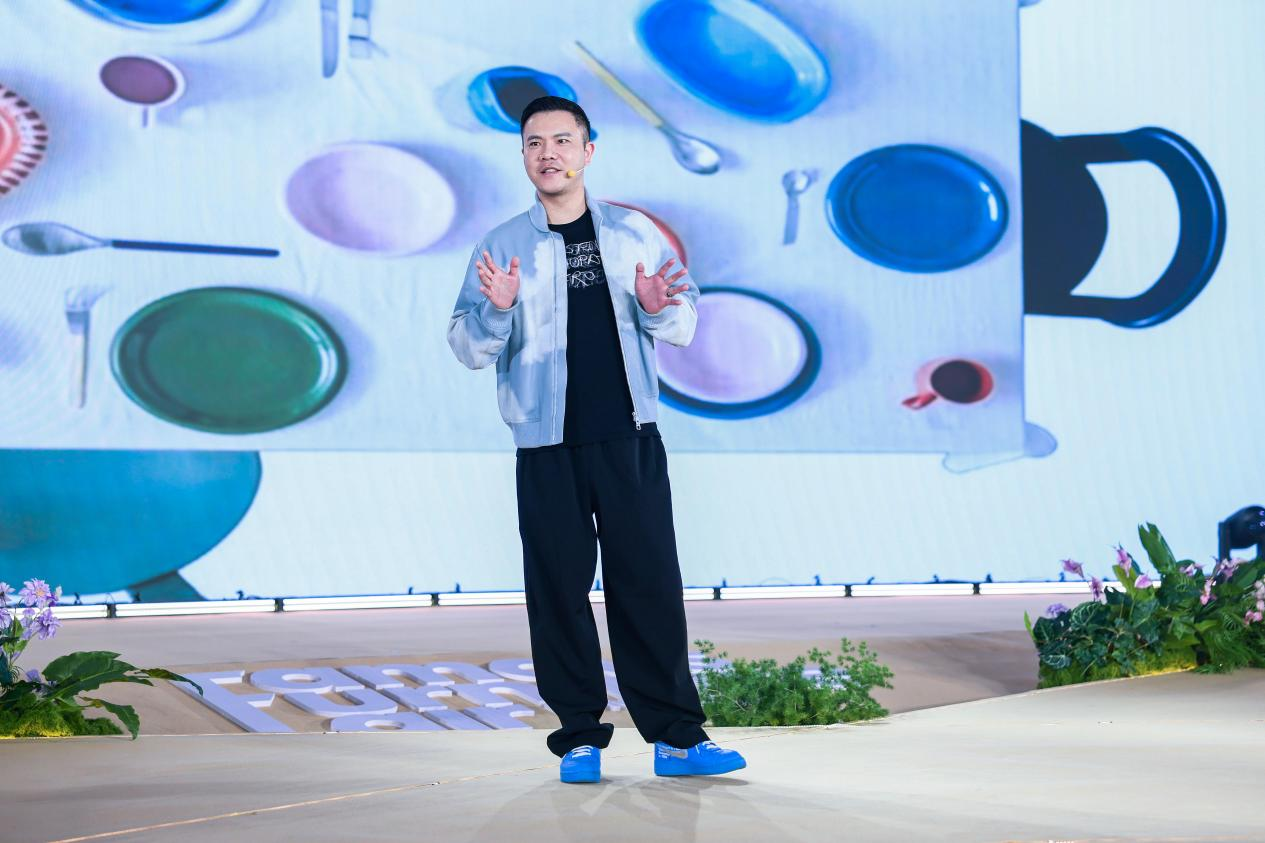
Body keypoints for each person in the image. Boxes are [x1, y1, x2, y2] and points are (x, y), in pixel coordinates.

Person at [447, 96, 746, 784]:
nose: (547, 153)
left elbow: (684, 323)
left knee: (649, 585)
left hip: (629, 436)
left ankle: (677, 738)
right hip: (545, 445)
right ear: (522, 156)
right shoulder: (501, 245)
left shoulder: (636, 232)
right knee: (557, 592)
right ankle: (579, 736)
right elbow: (465, 346)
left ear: (588, 151)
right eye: (534, 143)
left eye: (562, 141)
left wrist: (657, 308)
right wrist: (496, 309)